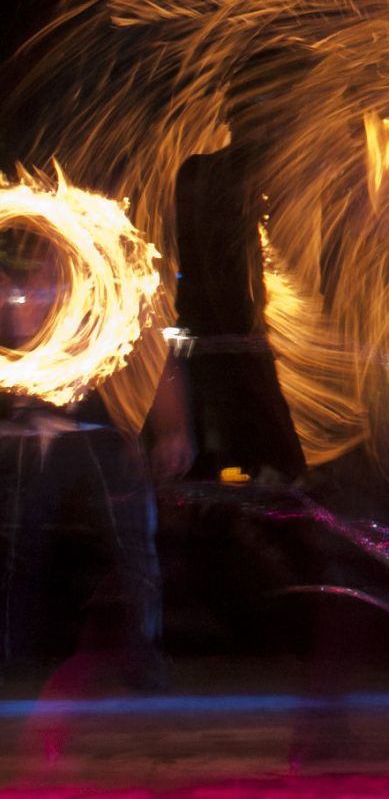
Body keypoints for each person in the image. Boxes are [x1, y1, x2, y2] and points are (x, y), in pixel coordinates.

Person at [1, 227, 191, 687]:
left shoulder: (113, 301)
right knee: (13, 553)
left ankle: (141, 656)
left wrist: (174, 430)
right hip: (27, 437)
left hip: (101, 437)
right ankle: (8, 657)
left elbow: (156, 362)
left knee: (131, 550)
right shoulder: (16, 294)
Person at [173, 48, 310, 484]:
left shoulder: (207, 175)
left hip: (232, 370)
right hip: (237, 372)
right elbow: (220, 296)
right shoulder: (216, 176)